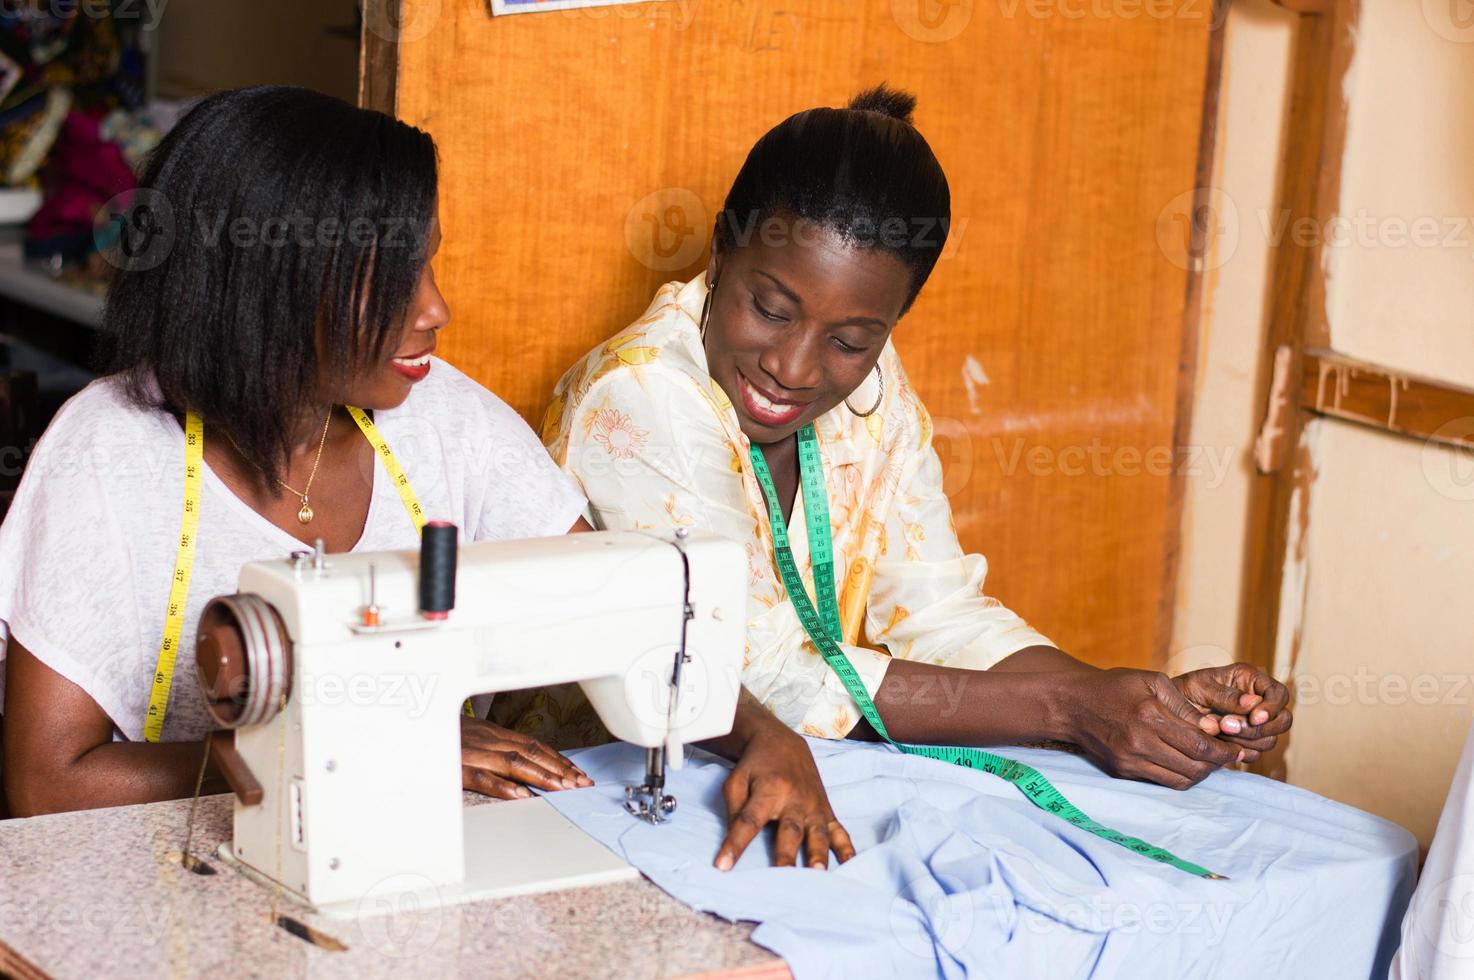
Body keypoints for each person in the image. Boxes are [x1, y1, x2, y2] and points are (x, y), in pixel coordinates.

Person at [511, 85, 1293, 871]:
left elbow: (938, 611)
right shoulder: (640, 393)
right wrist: (1070, 708)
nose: (793, 367)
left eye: (850, 339)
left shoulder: (875, 389)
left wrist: (1135, 705)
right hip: (590, 798)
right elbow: (751, 674)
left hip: (794, 776)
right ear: (720, 251)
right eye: (771, 308)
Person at [0, 86, 593, 816]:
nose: (436, 309)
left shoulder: (446, 418)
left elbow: (622, 598)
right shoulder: (110, 450)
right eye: (395, 276)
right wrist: (363, 745)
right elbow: (47, 784)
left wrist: (758, 733)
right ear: (268, 287)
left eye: (428, 266)